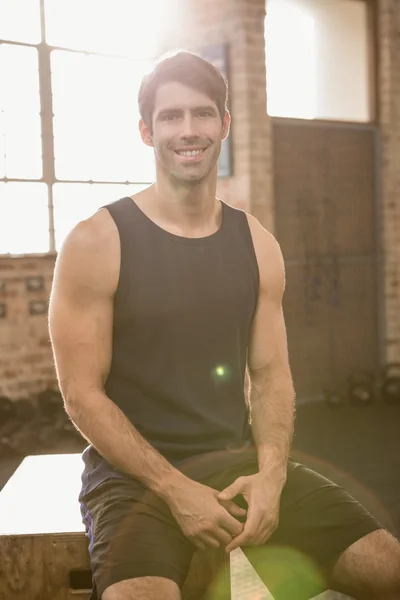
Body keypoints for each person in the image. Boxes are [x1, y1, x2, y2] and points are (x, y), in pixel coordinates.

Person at [48, 51, 400, 600]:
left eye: (203, 113)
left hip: (235, 467)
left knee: (386, 566)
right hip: (132, 482)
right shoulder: (97, 241)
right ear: (146, 131)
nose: (188, 130)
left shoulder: (257, 244)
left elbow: (271, 375)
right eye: (170, 117)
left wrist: (273, 475)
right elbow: (81, 395)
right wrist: (173, 487)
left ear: (225, 125)